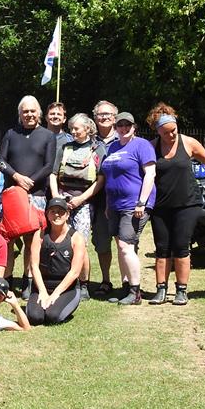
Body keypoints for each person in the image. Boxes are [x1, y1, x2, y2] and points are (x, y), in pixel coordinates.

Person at [145, 103, 205, 305]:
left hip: (187, 204)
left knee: (181, 247)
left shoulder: (189, 143)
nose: (172, 135)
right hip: (160, 207)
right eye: (166, 133)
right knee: (162, 249)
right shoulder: (151, 147)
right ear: (158, 131)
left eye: (174, 130)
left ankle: (181, 290)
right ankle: (161, 290)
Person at [0, 95, 57, 298]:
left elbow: (49, 166)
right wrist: (17, 177)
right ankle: (5, 280)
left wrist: (28, 181)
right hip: (11, 195)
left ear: (39, 113)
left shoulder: (48, 136)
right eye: (25, 111)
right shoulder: (11, 133)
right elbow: (1, 162)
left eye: (33, 111)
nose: (29, 114)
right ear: (20, 114)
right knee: (7, 240)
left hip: (36, 195)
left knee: (33, 242)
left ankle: (28, 281)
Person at [99, 112, 156, 305]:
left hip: (133, 205)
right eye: (120, 125)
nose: (123, 129)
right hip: (114, 205)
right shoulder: (113, 147)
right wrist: (108, 204)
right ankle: (126, 287)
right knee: (121, 247)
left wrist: (141, 202)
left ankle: (135, 291)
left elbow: (150, 174)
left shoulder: (142, 145)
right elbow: (109, 177)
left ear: (134, 127)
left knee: (126, 246)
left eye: (127, 125)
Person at [49, 113, 106, 301]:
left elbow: (100, 180)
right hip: (62, 202)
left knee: (80, 243)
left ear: (88, 129)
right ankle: (61, 281)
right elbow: (53, 174)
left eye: (76, 128)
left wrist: (81, 199)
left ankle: (83, 285)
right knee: (60, 241)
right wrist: (57, 197)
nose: (73, 131)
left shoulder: (97, 149)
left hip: (83, 203)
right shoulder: (65, 148)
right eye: (72, 128)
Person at [26, 198, 85, 325]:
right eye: (53, 211)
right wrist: (42, 291)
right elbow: (34, 265)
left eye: (61, 212)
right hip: (43, 285)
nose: (57, 215)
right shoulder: (39, 235)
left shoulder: (76, 238)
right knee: (35, 318)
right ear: (47, 214)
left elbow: (75, 272)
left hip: (67, 288)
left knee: (52, 316)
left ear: (67, 214)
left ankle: (66, 301)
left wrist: (55, 294)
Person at [90, 100, 119, 296]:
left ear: (115, 118)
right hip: (97, 199)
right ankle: (106, 280)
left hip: (121, 199)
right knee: (101, 243)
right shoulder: (89, 141)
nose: (105, 117)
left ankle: (129, 283)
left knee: (125, 242)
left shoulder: (125, 138)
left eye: (108, 114)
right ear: (95, 118)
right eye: (101, 114)